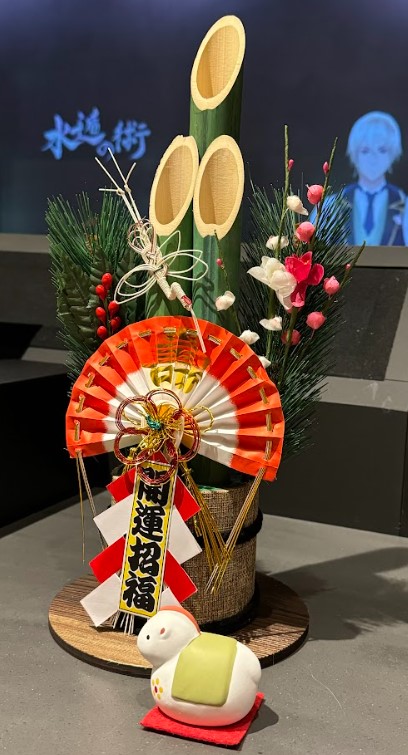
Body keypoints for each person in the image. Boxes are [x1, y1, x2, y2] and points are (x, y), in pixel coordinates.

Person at [342, 111, 408, 246]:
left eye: (382, 150)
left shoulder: (404, 204)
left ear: (392, 154)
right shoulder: (332, 204)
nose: (373, 158)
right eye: (365, 151)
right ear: (355, 154)